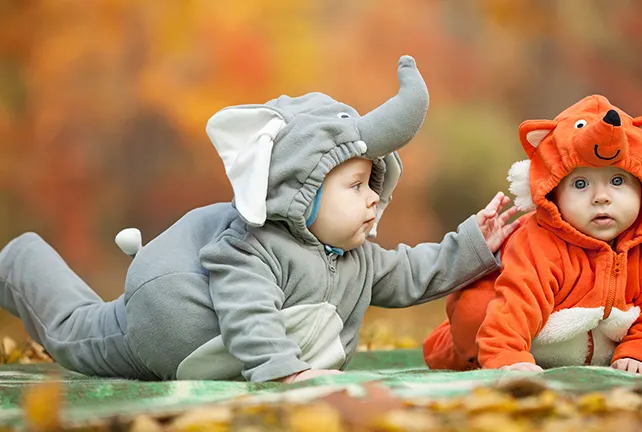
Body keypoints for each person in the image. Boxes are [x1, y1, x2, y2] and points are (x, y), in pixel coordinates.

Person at [0, 56, 519, 383]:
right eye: (356, 186)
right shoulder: (255, 245)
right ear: (302, 193)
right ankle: (18, 261)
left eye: (373, 185)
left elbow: (413, 272)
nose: (371, 201)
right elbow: (247, 308)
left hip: (207, 357)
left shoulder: (356, 259)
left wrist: (477, 242)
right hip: (163, 330)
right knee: (73, 332)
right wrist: (281, 371)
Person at [423, 95, 642, 375]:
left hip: (592, 335)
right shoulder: (539, 242)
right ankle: (449, 346)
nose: (601, 198)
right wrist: (508, 356)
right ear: (554, 193)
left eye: (617, 181)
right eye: (580, 184)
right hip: (510, 326)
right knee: (474, 315)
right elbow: (516, 303)